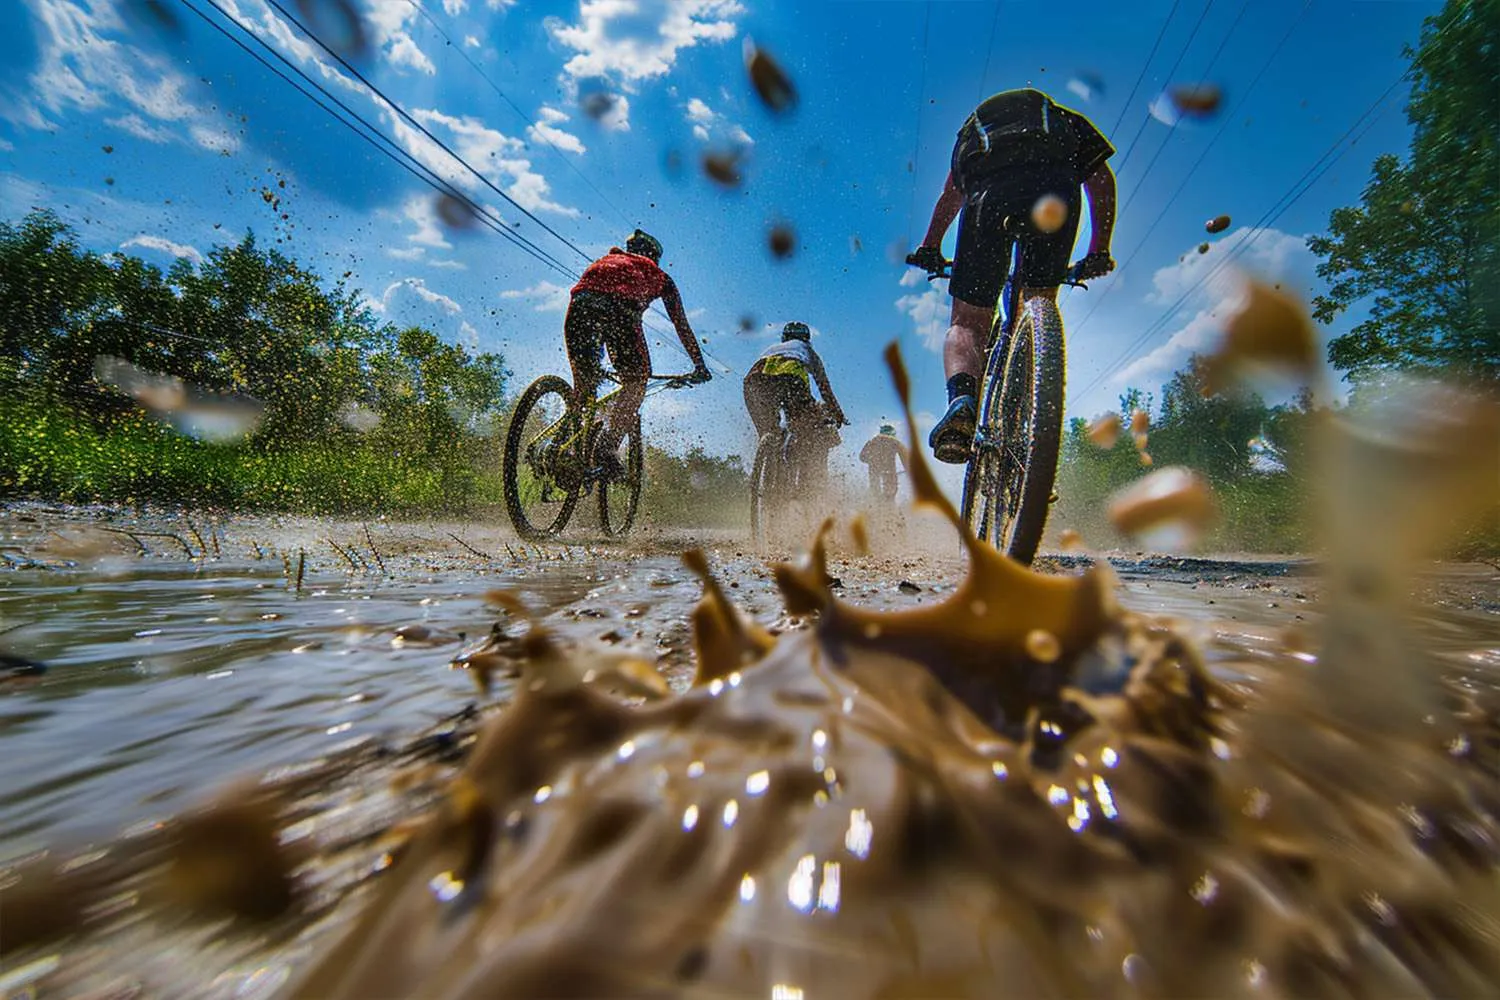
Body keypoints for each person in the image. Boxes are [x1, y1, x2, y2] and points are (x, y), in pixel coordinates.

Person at [907, 88, 1118, 463]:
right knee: (1036, 301)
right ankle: (1026, 411)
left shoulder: (973, 134)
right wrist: (1099, 250)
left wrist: (929, 247)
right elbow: (1100, 178)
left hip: (989, 195)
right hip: (1055, 193)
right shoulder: (1063, 121)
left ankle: (962, 403)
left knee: (968, 322)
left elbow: (952, 195)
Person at [565, 229, 711, 479]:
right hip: (620, 313)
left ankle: (564, 446)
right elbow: (681, 325)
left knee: (585, 384)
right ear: (654, 257)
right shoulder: (660, 276)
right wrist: (699, 365)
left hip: (580, 307)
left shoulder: (606, 260)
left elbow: (591, 290)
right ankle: (607, 449)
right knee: (636, 381)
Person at [743, 322, 848, 483]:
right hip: (790, 379)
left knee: (768, 431)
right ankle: (797, 478)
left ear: (784, 338)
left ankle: (769, 468)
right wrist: (838, 414)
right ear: (807, 339)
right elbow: (825, 389)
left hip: (754, 380)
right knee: (806, 430)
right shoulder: (808, 351)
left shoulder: (771, 349)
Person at [859, 423, 908, 501]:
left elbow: (861, 457)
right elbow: (905, 458)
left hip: (874, 470)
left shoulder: (872, 441)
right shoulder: (895, 441)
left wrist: (872, 460)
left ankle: (876, 509)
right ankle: (888, 510)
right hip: (889, 471)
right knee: (890, 495)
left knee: (875, 493)